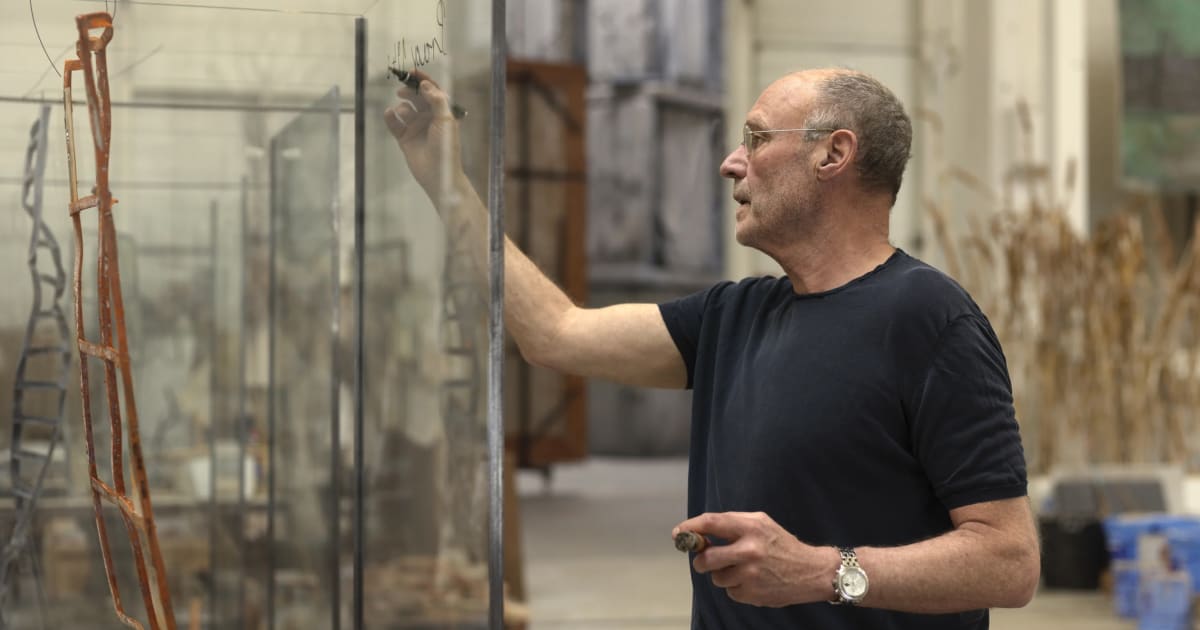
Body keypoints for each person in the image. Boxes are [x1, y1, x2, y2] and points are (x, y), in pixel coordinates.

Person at [385, 67, 1040, 629]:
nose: (731, 162)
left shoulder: (930, 320)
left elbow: (1009, 562)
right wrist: (447, 183)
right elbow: (553, 333)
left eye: (756, 139)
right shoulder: (734, 316)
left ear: (833, 154)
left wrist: (821, 571)